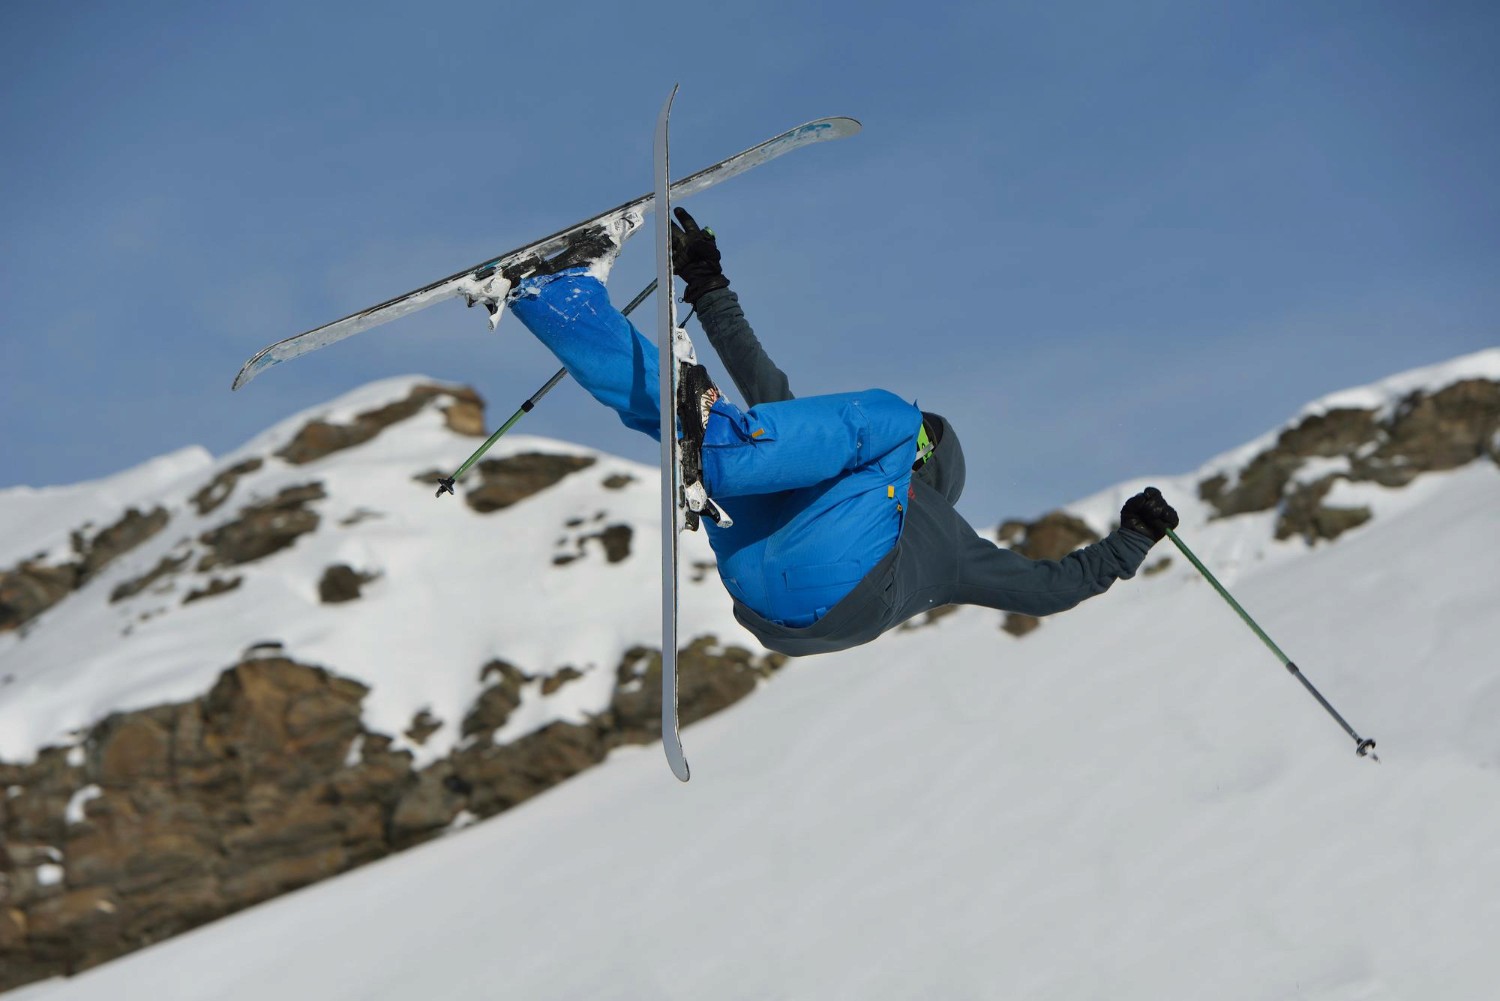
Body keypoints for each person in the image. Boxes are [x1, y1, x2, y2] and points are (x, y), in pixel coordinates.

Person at [505, 208, 1179, 657]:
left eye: (922, 451)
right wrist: (708, 285)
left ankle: (711, 448)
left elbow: (1048, 588)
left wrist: (1132, 540)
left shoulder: (949, 541)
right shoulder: (829, 477)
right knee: (719, 427)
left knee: (874, 418)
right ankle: (555, 299)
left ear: (932, 470)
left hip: (839, 584)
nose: (910, 456)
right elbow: (765, 383)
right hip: (771, 595)